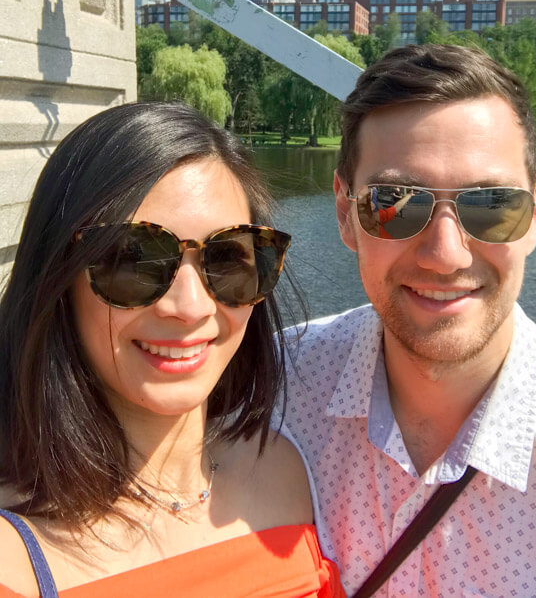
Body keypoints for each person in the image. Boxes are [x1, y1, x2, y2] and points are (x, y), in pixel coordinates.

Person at [281, 44, 536, 597]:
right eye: (394, 202)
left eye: (492, 204)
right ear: (344, 214)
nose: (445, 255)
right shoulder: (267, 393)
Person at [0, 101, 345, 598]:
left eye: (228, 256)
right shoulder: (16, 554)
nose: (189, 306)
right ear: (56, 279)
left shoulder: (284, 471)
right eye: (133, 259)